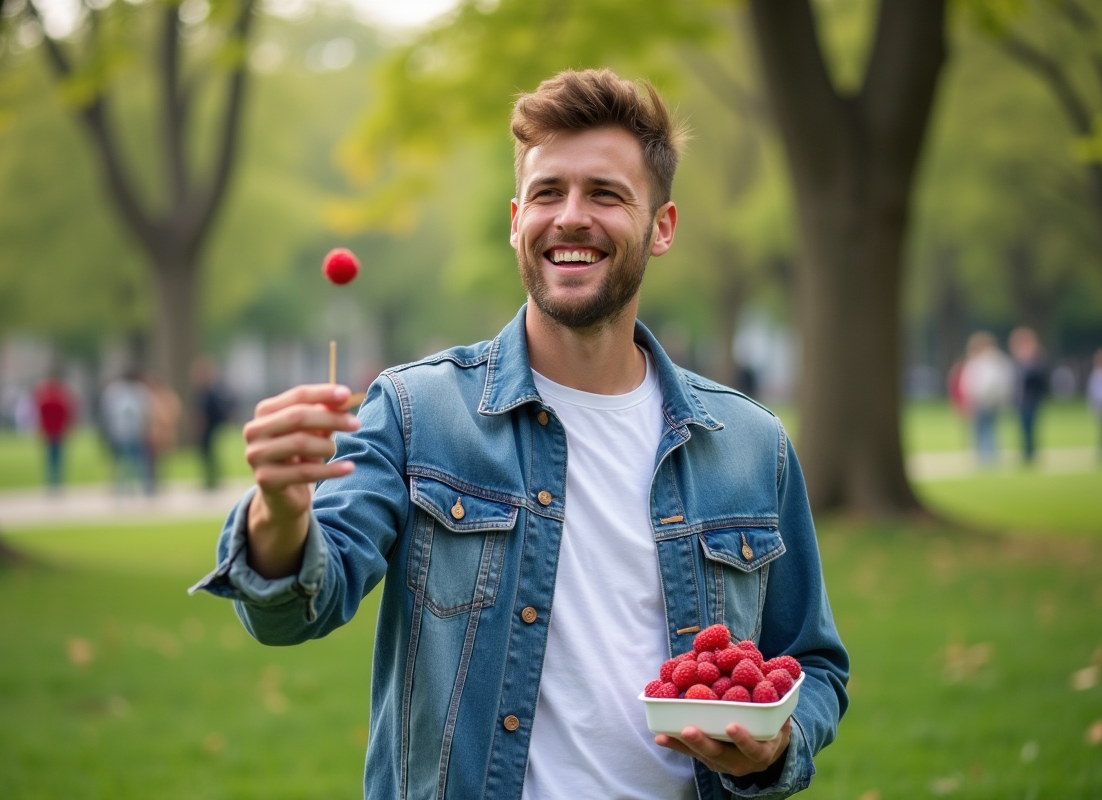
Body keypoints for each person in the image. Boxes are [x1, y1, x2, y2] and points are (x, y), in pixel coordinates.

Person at [192, 70, 848, 799]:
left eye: (604, 193)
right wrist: (278, 513)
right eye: (547, 193)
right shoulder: (416, 414)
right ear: (515, 221)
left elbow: (812, 665)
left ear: (661, 227)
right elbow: (293, 614)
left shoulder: (751, 443)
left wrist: (777, 744)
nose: (570, 217)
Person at [959, 332, 1014, 465]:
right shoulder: (988, 361)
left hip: (985, 400)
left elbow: (991, 383)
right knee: (982, 429)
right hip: (981, 400)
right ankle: (985, 455)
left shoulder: (989, 362)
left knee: (986, 428)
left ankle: (988, 456)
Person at [100, 368, 151, 494]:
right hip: (124, 432)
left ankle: (129, 486)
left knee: (130, 461)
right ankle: (126, 487)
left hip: (127, 432)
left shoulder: (117, 391)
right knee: (130, 461)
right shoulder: (134, 390)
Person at [33, 363, 78, 491]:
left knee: (53, 458)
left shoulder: (47, 395)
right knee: (55, 458)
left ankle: (54, 483)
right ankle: (55, 483)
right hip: (54, 430)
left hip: (55, 430)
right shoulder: (59, 395)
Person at [191, 357, 233, 490]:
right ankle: (211, 479)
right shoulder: (209, 391)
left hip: (210, 427)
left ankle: (212, 480)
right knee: (207, 454)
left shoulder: (209, 392)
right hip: (212, 426)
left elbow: (203, 412)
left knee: (208, 454)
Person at [1008, 327, 1047, 465]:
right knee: (1022, 427)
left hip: (1031, 399)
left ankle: (1031, 453)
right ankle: (1026, 452)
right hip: (1020, 400)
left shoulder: (1035, 359)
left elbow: (1039, 378)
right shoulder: (1017, 360)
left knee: (1030, 426)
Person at [143, 372, 182, 492]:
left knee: (160, 460)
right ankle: (151, 483)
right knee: (150, 460)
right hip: (149, 435)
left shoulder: (165, 397)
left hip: (161, 434)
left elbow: (173, 413)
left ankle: (157, 482)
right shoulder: (147, 396)